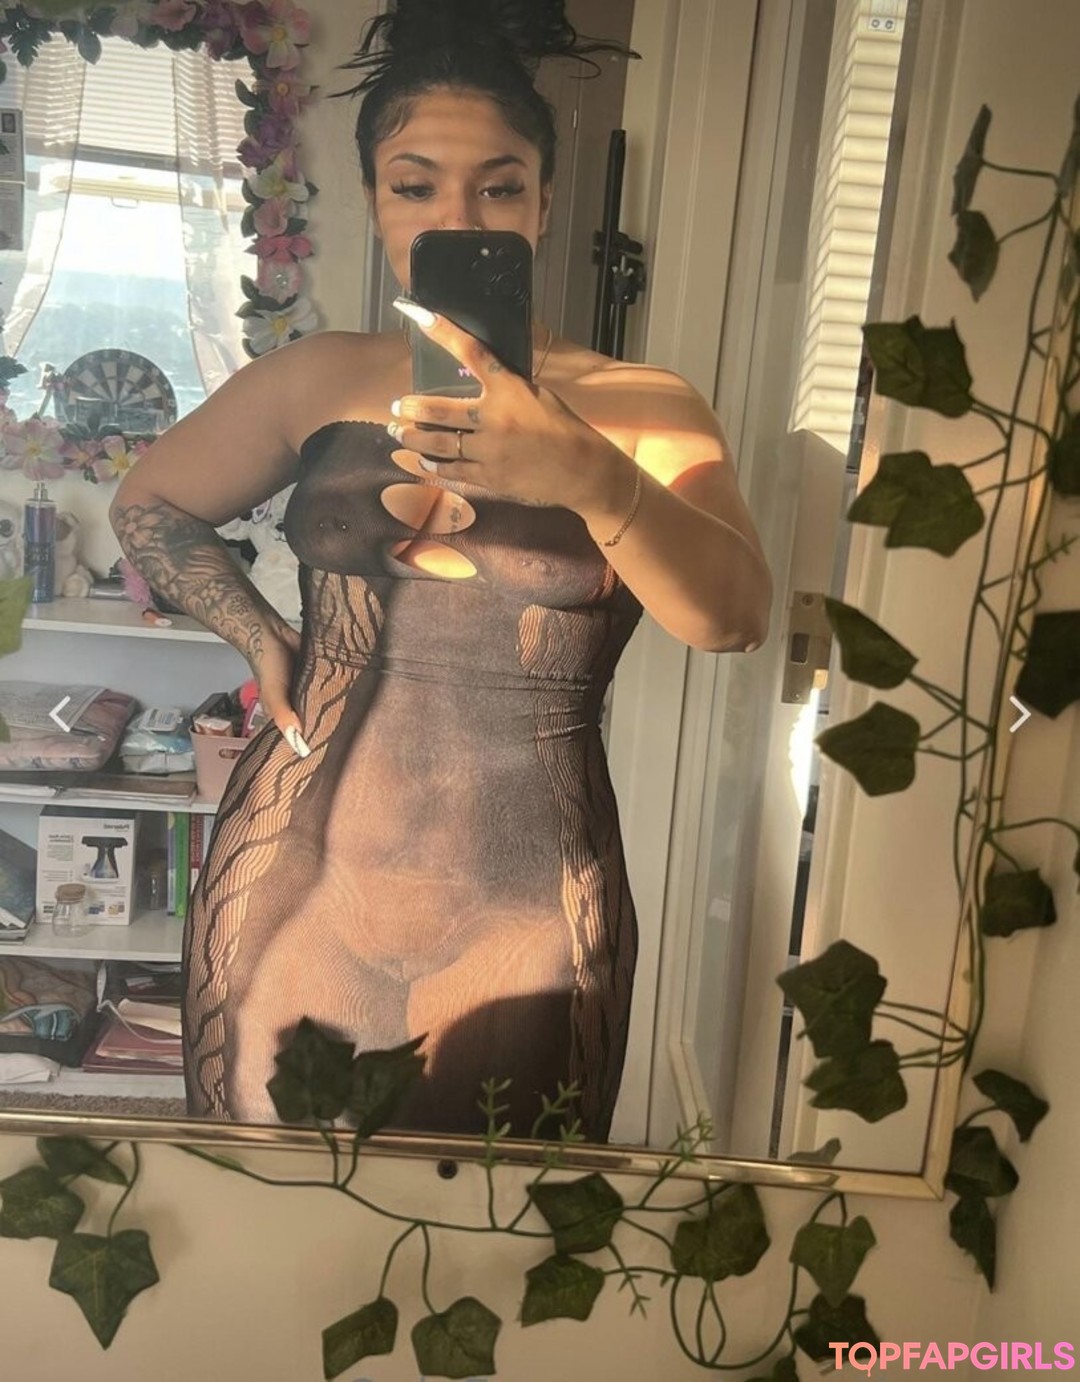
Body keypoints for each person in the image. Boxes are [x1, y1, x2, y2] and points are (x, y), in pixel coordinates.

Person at [110, 0, 772, 1141]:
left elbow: (734, 617)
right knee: (266, 1210)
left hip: (527, 894)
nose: (457, 218)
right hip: (299, 862)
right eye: (415, 187)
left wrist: (587, 473)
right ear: (375, 200)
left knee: (496, 1227)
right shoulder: (316, 376)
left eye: (499, 188)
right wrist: (262, 635)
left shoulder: (644, 406)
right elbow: (149, 504)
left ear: (545, 202)